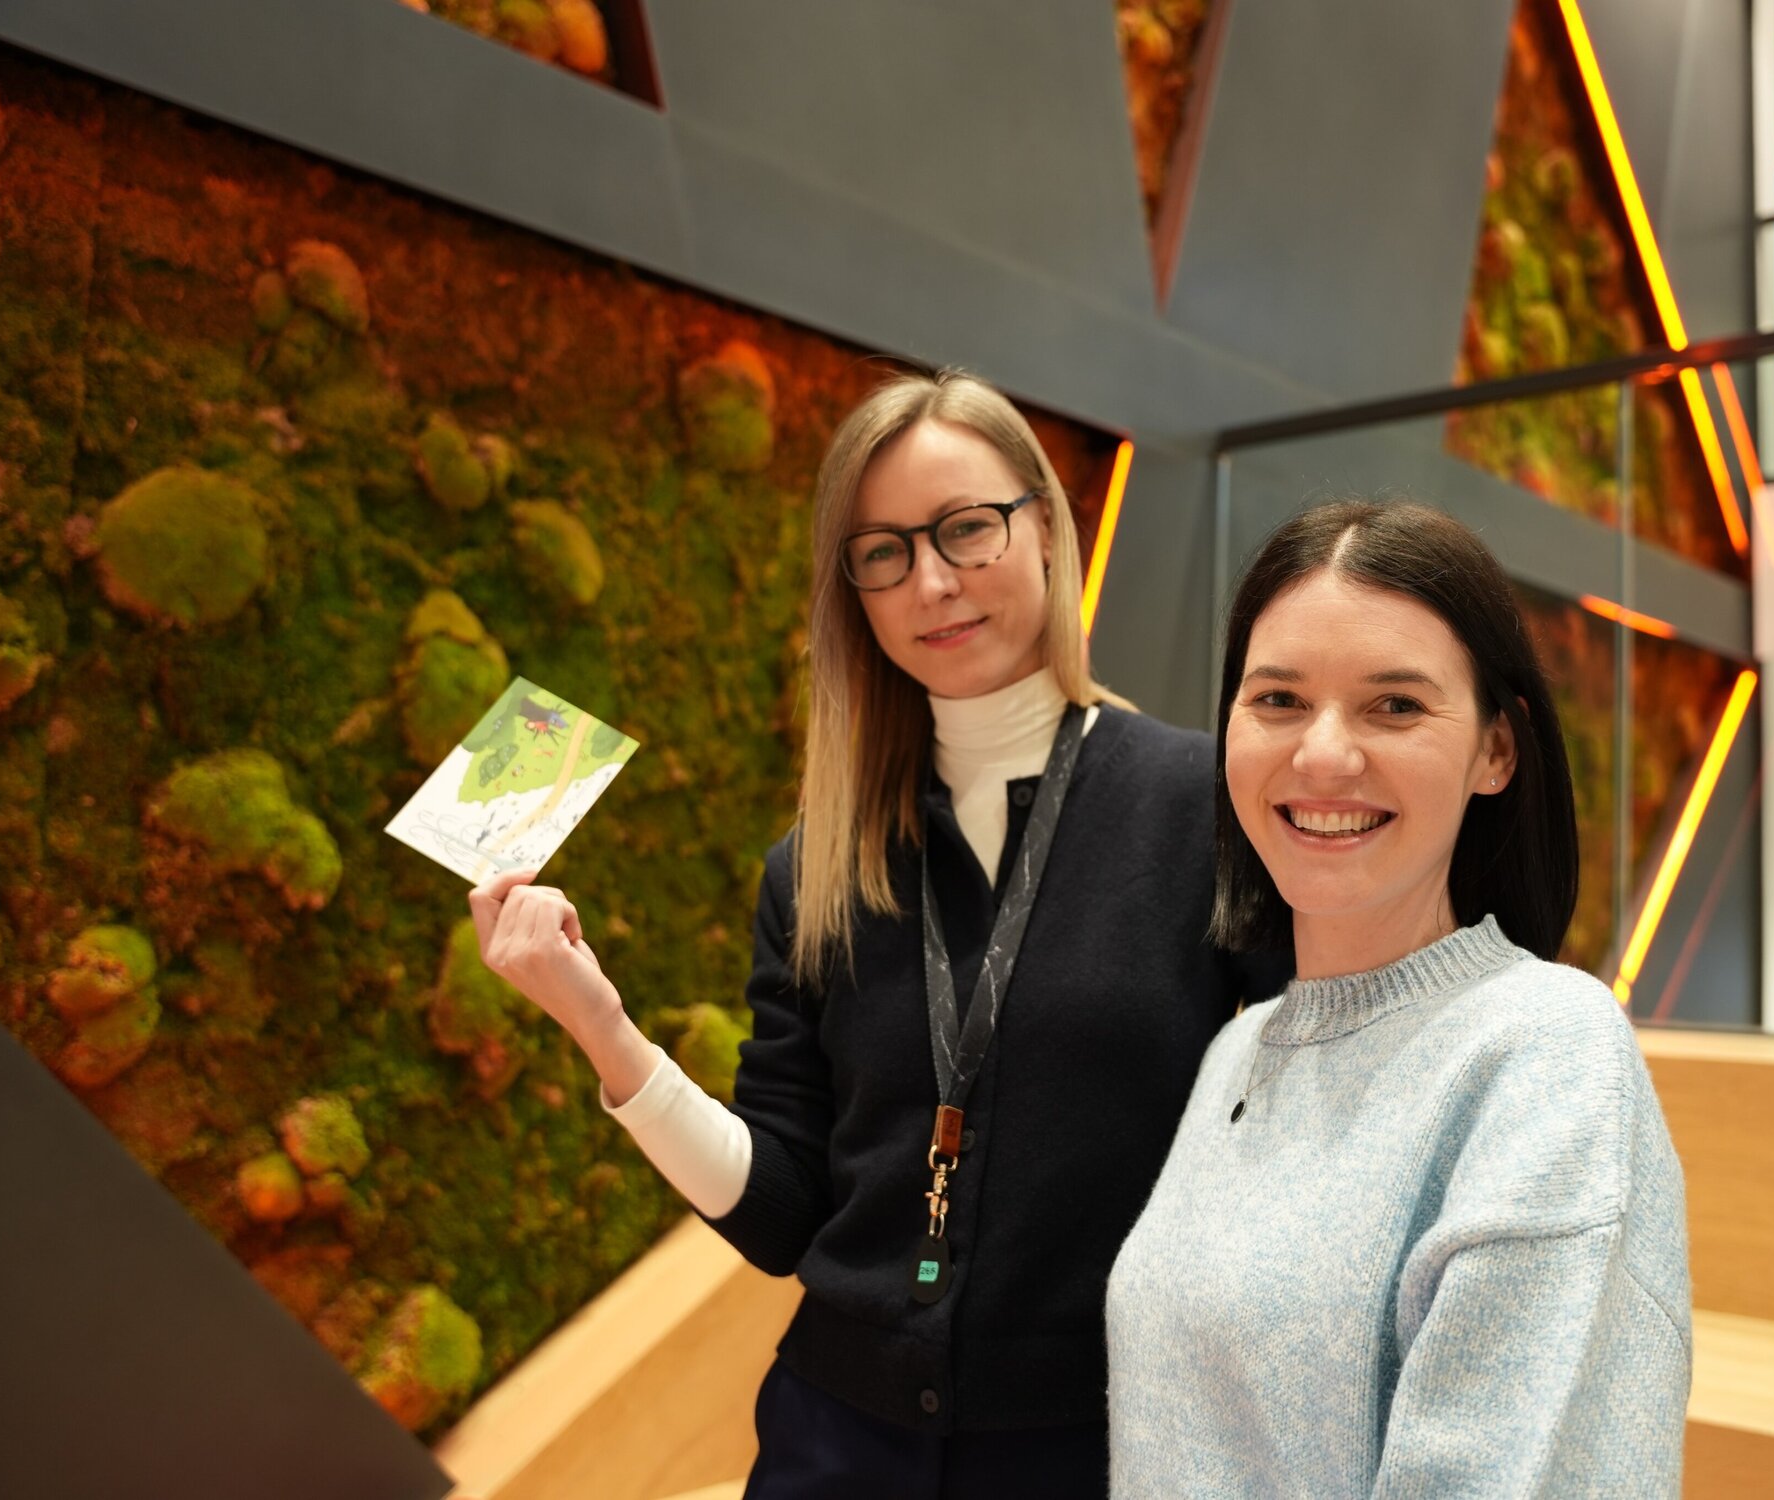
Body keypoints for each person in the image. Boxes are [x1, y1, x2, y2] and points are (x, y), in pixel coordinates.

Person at [468, 369, 1284, 1498]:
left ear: (1047, 529)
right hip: (834, 1446)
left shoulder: (1210, 807)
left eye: (966, 529)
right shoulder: (814, 871)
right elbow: (781, 1216)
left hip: (1099, 1447)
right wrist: (600, 1027)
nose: (931, 582)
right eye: (883, 553)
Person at [1106, 499, 1690, 1497]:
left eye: (1395, 707)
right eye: (1279, 699)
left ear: (1497, 751)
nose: (1324, 755)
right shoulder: (1237, 1054)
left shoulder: (1547, 1051)